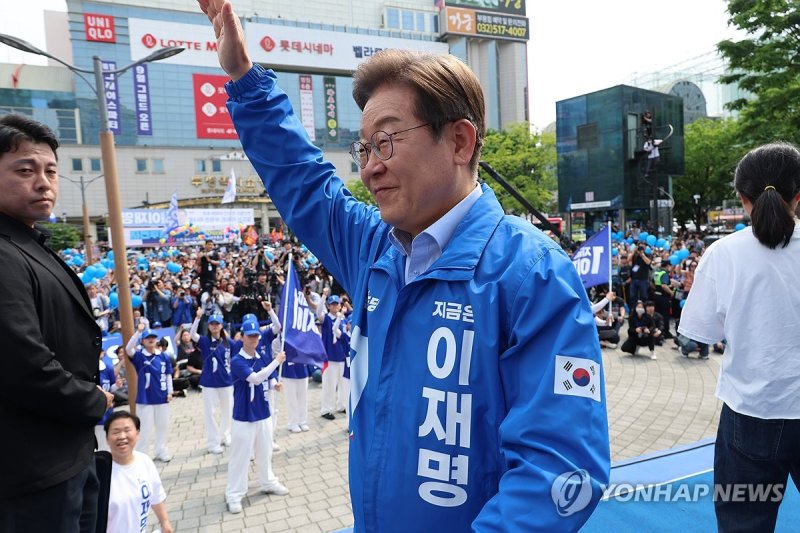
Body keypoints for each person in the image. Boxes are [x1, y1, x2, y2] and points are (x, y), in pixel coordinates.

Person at [198, 2, 609, 530]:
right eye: (364, 146)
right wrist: (243, 78)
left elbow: (560, 470)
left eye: (388, 140)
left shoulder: (531, 274)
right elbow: (303, 180)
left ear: (459, 141)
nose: (370, 167)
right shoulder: (375, 249)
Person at [0, 114, 113, 531]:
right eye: (24, 170)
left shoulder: (26, 240)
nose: (43, 182)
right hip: (33, 473)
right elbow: (21, 363)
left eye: (50, 170)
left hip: (64, 457)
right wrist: (92, 401)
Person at [679, 142, 800, 532]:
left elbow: (701, 332)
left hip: (750, 412)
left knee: (743, 523)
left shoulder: (723, 254)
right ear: (798, 196)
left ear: (742, 198)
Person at [225, 319, 289, 514]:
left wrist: (274, 383)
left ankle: (268, 482)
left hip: (263, 412)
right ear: (242, 336)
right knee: (240, 457)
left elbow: (267, 379)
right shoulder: (237, 360)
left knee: (265, 451)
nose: (253, 339)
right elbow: (255, 378)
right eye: (250, 335)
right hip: (244, 416)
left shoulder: (260, 355)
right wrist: (276, 362)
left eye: (256, 336)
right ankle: (234, 494)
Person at [103, 411, 173, 533]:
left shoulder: (144, 461)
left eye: (127, 430)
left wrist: (164, 522)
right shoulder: (101, 472)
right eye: (116, 432)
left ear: (137, 434)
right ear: (107, 439)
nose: (122, 436)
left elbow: (156, 495)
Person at [124, 324, 174, 462]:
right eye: (147, 338)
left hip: (162, 396)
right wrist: (138, 332)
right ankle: (141, 455)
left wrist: (170, 391)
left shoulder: (163, 356)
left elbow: (168, 374)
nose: (151, 340)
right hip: (145, 398)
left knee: (162, 426)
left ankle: (160, 450)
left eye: (153, 337)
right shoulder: (139, 356)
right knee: (145, 428)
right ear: (143, 341)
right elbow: (128, 349)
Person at [190, 309, 237, 454]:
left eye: (217, 324)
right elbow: (192, 335)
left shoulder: (229, 342)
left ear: (222, 325)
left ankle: (225, 435)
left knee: (227, 411)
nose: (215, 326)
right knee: (210, 412)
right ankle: (213, 442)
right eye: (212, 324)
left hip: (227, 381)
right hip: (209, 382)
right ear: (208, 326)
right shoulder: (204, 341)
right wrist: (197, 318)